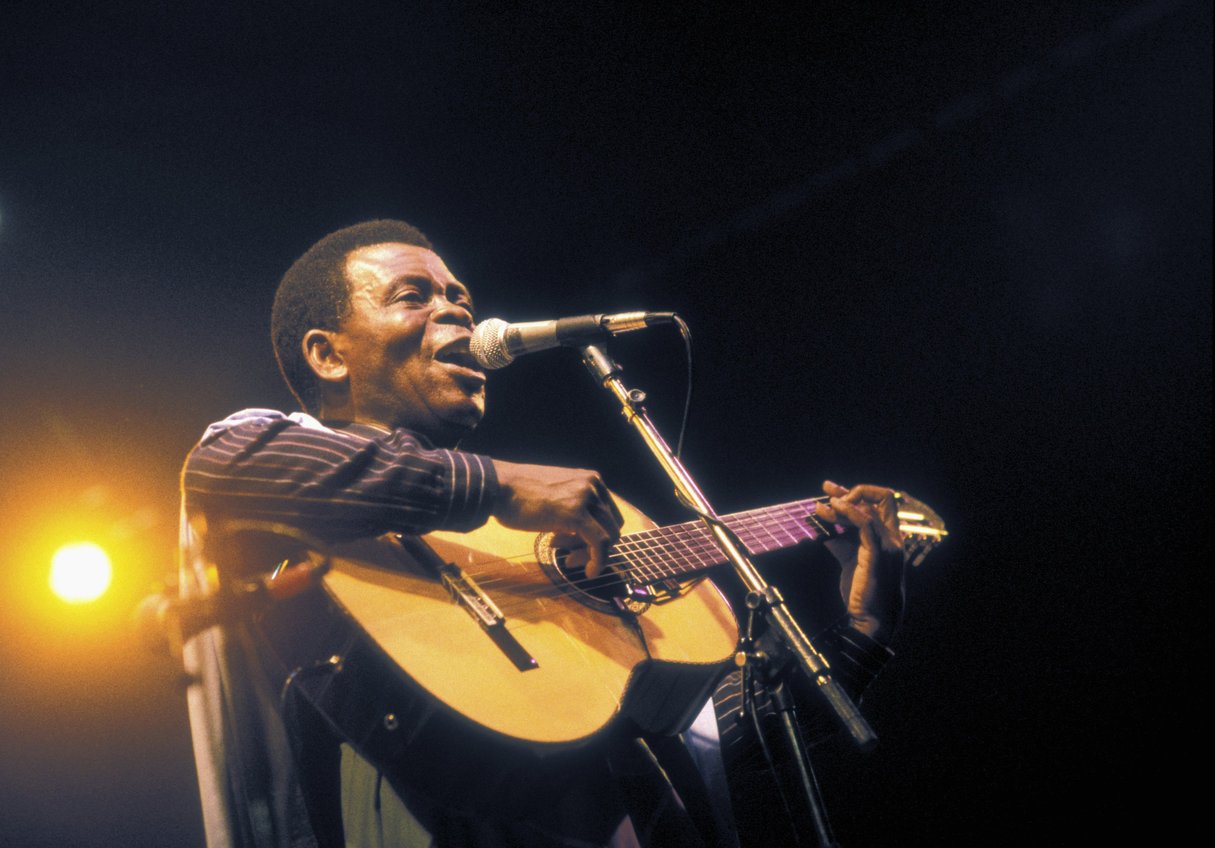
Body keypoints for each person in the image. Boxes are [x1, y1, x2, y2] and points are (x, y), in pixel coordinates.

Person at [179, 219, 907, 848]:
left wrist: (860, 632)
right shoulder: (269, 451)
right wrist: (497, 485)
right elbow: (229, 466)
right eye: (414, 295)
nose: (456, 311)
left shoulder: (526, 554)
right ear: (328, 355)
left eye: (460, 297)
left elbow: (729, 752)